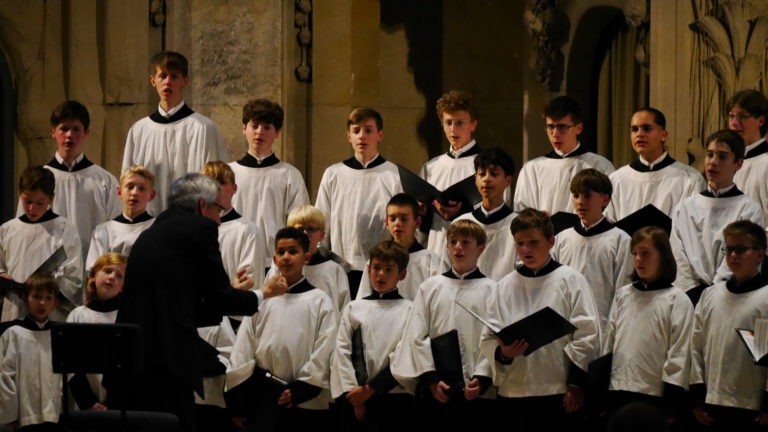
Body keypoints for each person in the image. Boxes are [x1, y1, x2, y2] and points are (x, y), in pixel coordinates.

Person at [114, 173, 288, 432]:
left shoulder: (153, 232)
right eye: (218, 209)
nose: (219, 220)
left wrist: (228, 294)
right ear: (201, 205)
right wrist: (264, 293)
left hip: (133, 358)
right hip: (167, 360)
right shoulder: (199, 228)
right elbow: (215, 299)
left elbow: (189, 303)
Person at [480, 209, 600, 431]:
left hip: (557, 390)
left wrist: (575, 383)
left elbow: (587, 334)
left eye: (534, 242)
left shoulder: (570, 280)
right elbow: (488, 337)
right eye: (520, 243)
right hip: (514, 391)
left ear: (551, 241)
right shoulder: (504, 286)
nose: (525, 250)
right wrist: (504, 354)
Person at [228, 227, 338, 431]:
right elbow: (243, 348)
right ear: (274, 258)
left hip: (302, 400)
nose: (286, 257)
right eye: (281, 252)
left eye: (293, 251)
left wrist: (302, 389)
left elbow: (325, 348)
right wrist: (238, 402)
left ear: (306, 257)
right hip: (263, 396)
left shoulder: (320, 301)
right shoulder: (263, 300)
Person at [392, 220, 497, 430]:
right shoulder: (430, 287)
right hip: (437, 387)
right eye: (453, 242)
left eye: (465, 242)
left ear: (481, 249)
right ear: (447, 246)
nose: (458, 247)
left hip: (476, 388)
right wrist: (430, 378)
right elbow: (416, 335)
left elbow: (493, 337)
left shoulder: (492, 289)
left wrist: (483, 377)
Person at [122, 51, 228, 216]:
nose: (167, 82)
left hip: (192, 224)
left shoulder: (203, 128)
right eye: (162, 76)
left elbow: (216, 182)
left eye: (174, 76)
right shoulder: (139, 131)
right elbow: (128, 181)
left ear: (185, 81)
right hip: (148, 225)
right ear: (152, 81)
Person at [603, 227, 692, 422]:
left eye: (645, 253)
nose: (638, 260)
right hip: (618, 389)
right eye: (634, 253)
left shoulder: (677, 299)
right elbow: (609, 343)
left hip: (655, 395)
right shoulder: (623, 295)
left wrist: (671, 401)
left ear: (663, 256)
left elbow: (679, 353)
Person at [670, 129, 764, 304]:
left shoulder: (748, 209)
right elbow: (678, 256)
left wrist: (715, 292)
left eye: (722, 156)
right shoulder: (684, 207)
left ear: (739, 163)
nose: (713, 162)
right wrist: (691, 291)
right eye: (709, 155)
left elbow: (739, 258)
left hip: (730, 298)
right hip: (688, 298)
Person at [690, 220, 768, 431]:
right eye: (729, 249)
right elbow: (696, 347)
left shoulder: (765, 298)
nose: (733, 255)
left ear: (760, 255)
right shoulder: (711, 295)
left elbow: (765, 356)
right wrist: (698, 396)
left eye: (741, 249)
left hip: (750, 406)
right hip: (711, 402)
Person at [315, 107, 402, 294]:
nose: (362, 136)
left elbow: (401, 223)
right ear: (349, 136)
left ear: (380, 134)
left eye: (368, 130)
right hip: (340, 264)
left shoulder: (393, 175)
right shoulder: (334, 174)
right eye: (356, 131)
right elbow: (322, 219)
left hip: (381, 268)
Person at [330, 240, 415, 431]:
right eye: (376, 268)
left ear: (402, 274)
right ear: (368, 270)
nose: (381, 274)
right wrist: (355, 395)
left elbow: (405, 354)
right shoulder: (354, 308)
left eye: (388, 269)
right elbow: (342, 351)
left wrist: (371, 389)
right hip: (355, 398)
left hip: (393, 396)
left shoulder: (409, 310)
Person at [20, 101, 121, 259]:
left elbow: (117, 229)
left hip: (93, 269)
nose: (69, 135)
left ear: (86, 132)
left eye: (76, 129)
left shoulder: (104, 181)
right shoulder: (38, 180)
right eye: (64, 128)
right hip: (47, 273)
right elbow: (24, 228)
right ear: (53, 132)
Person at [230, 99, 310, 267]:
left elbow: (298, 223)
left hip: (276, 261)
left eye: (267, 127)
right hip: (235, 256)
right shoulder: (230, 173)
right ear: (244, 128)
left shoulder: (289, 174)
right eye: (255, 126)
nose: (260, 132)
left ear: (277, 132)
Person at [551, 169, 632, 333]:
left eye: (587, 195)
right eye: (575, 195)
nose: (580, 202)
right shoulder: (561, 239)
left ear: (605, 199)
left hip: (602, 328)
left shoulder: (620, 240)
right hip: (565, 327)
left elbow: (623, 292)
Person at [0, 165, 82, 322]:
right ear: (20, 195)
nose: (32, 208)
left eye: (40, 203)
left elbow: (73, 278)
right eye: (27, 201)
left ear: (51, 199)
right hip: (15, 308)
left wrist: (43, 287)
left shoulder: (64, 229)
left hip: (50, 312)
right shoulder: (7, 229)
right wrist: (4, 276)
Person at [514, 95, 614, 214]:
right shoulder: (532, 168)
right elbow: (521, 211)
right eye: (550, 127)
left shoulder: (600, 165)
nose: (555, 133)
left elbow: (610, 210)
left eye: (562, 127)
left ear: (579, 128)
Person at [606, 107, 705, 221]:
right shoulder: (617, 179)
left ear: (663, 135)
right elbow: (609, 224)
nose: (639, 134)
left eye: (647, 129)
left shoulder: (690, 178)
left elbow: (694, 224)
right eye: (634, 129)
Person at [421, 91, 486, 255]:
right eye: (448, 122)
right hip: (437, 245)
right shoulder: (432, 167)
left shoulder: (487, 164)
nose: (453, 129)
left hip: (472, 248)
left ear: (473, 124)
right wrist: (424, 210)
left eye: (460, 123)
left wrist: (462, 210)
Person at [0, 274, 62, 431]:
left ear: (55, 303)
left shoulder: (60, 334)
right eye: (37, 296)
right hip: (23, 416)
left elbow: (70, 374)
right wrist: (10, 415)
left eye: (48, 298)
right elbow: (5, 376)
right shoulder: (13, 333)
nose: (42, 302)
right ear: (25, 299)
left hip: (55, 414)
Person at [66, 253, 127, 411]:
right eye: (107, 271)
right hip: (86, 404)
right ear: (93, 276)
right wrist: (88, 401)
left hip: (120, 403)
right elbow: (70, 365)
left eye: (119, 276)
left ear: (123, 287)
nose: (112, 277)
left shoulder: (126, 317)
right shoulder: (77, 315)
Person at [356, 193, 446, 300]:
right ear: (386, 223)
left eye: (404, 219)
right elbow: (362, 301)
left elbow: (439, 299)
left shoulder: (430, 260)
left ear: (417, 222)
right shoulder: (376, 261)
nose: (397, 223)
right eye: (393, 219)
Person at [266, 205, 350, 313]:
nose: (305, 234)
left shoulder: (334, 270)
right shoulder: (279, 268)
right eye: (300, 229)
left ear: (322, 235)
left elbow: (344, 311)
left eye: (311, 229)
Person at [202, 161, 266, 293]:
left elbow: (250, 284)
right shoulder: (188, 229)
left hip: (232, 312)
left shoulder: (248, 231)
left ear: (234, 188)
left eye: (222, 182)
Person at [454, 147, 518, 280]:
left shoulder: (518, 225)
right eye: (482, 174)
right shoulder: (461, 224)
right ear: (475, 179)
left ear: (508, 180)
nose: (486, 179)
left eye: (494, 174)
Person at [85, 165, 156, 271]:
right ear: (119, 192)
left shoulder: (157, 229)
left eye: (142, 188)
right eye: (130, 186)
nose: (134, 193)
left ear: (151, 195)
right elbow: (94, 271)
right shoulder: (103, 231)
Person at [728, 90, 768, 221]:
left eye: (742, 116)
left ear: (761, 121)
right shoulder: (727, 163)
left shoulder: (765, 163)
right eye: (731, 116)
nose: (734, 123)